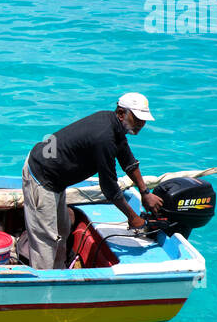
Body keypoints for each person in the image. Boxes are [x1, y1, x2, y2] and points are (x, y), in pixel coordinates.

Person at [22, 93, 166, 270]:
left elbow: (128, 161)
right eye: (137, 119)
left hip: (57, 180)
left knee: (62, 231)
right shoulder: (104, 137)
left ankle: (58, 273)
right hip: (42, 178)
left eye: (143, 120)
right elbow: (109, 187)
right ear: (121, 113)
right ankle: (42, 285)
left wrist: (145, 193)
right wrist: (133, 217)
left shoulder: (115, 126)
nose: (141, 125)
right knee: (47, 240)